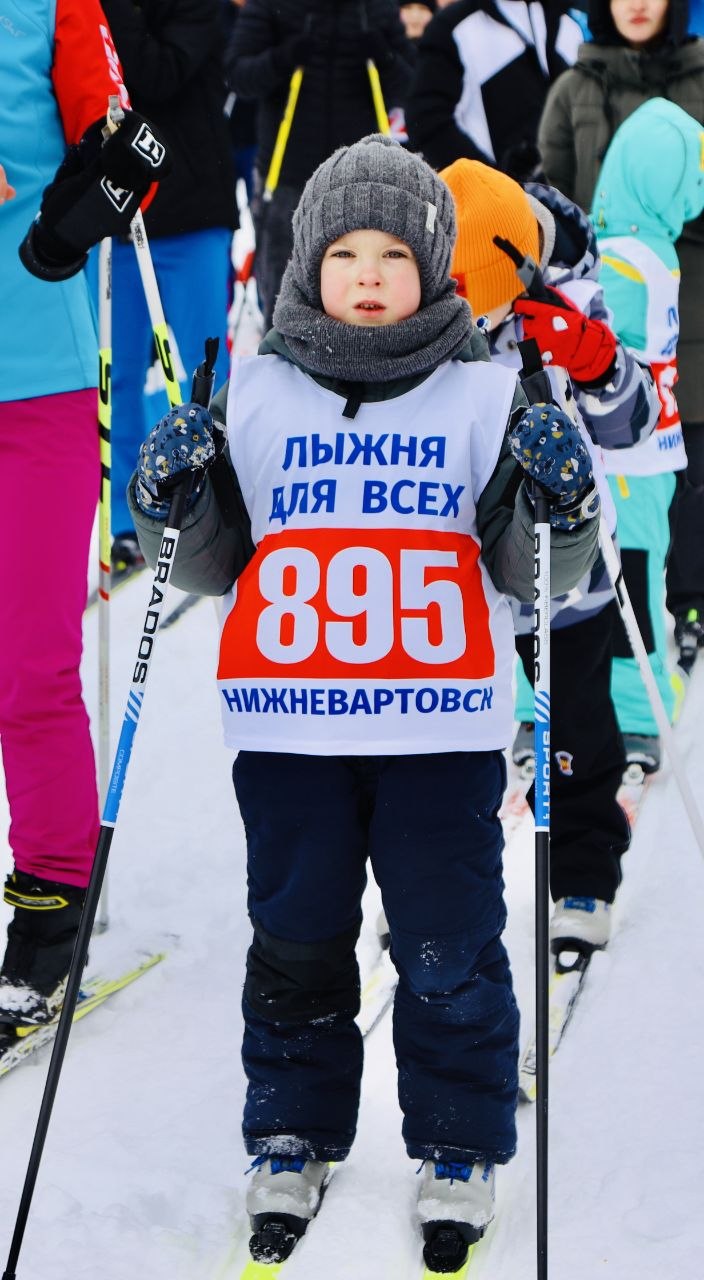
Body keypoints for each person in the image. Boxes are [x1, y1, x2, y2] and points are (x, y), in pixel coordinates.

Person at [127, 134, 601, 1269]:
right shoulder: (257, 391)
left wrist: (561, 495)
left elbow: (543, 571)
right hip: (290, 732)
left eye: (396, 251)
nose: (372, 271)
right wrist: (170, 493)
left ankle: (457, 1140)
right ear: (308, 262)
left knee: (446, 939)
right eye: (346, 250)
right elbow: (199, 560)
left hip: (437, 730)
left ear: (433, 268)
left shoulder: (483, 394)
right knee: (295, 937)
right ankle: (290, 1125)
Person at [440, 158, 659, 950]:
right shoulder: (416, 320)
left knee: (576, 731)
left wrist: (593, 358)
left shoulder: (564, 305)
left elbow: (634, 425)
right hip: (452, 582)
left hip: (562, 572)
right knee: (450, 743)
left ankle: (584, 873)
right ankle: (431, 889)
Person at [0, 0, 167, 1027]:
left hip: (38, 376)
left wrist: (75, 216)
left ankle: (53, 899)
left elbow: (132, 147)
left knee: (28, 658)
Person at [538, 0, 704, 672]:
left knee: (688, 463)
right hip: (601, 312)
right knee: (618, 466)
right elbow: (548, 194)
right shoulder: (575, 85)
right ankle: (606, 627)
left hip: (690, 306)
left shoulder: (700, 80)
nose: (637, 4)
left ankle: (689, 596)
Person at [98, 0, 238, 571]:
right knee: (119, 369)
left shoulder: (192, 9)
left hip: (191, 214)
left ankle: (228, 499)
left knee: (206, 366)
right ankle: (130, 518)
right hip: (119, 218)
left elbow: (156, 73)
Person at [590, 99, 704, 765]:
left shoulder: (623, 245)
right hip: (633, 457)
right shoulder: (639, 257)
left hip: (623, 449)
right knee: (632, 576)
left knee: (597, 579)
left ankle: (545, 699)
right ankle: (637, 708)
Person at [226, 0, 415, 328]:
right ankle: (282, 369)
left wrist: (382, 56)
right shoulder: (272, 6)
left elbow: (411, 84)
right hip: (286, 177)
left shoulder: (376, 7)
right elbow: (239, 75)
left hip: (360, 178)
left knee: (359, 295)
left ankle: (362, 369)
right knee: (283, 298)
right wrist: (282, 58)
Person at [404, 0, 583, 178]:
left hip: (567, 200)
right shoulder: (455, 27)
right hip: (488, 198)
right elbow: (426, 119)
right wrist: (491, 182)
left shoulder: (570, 29)